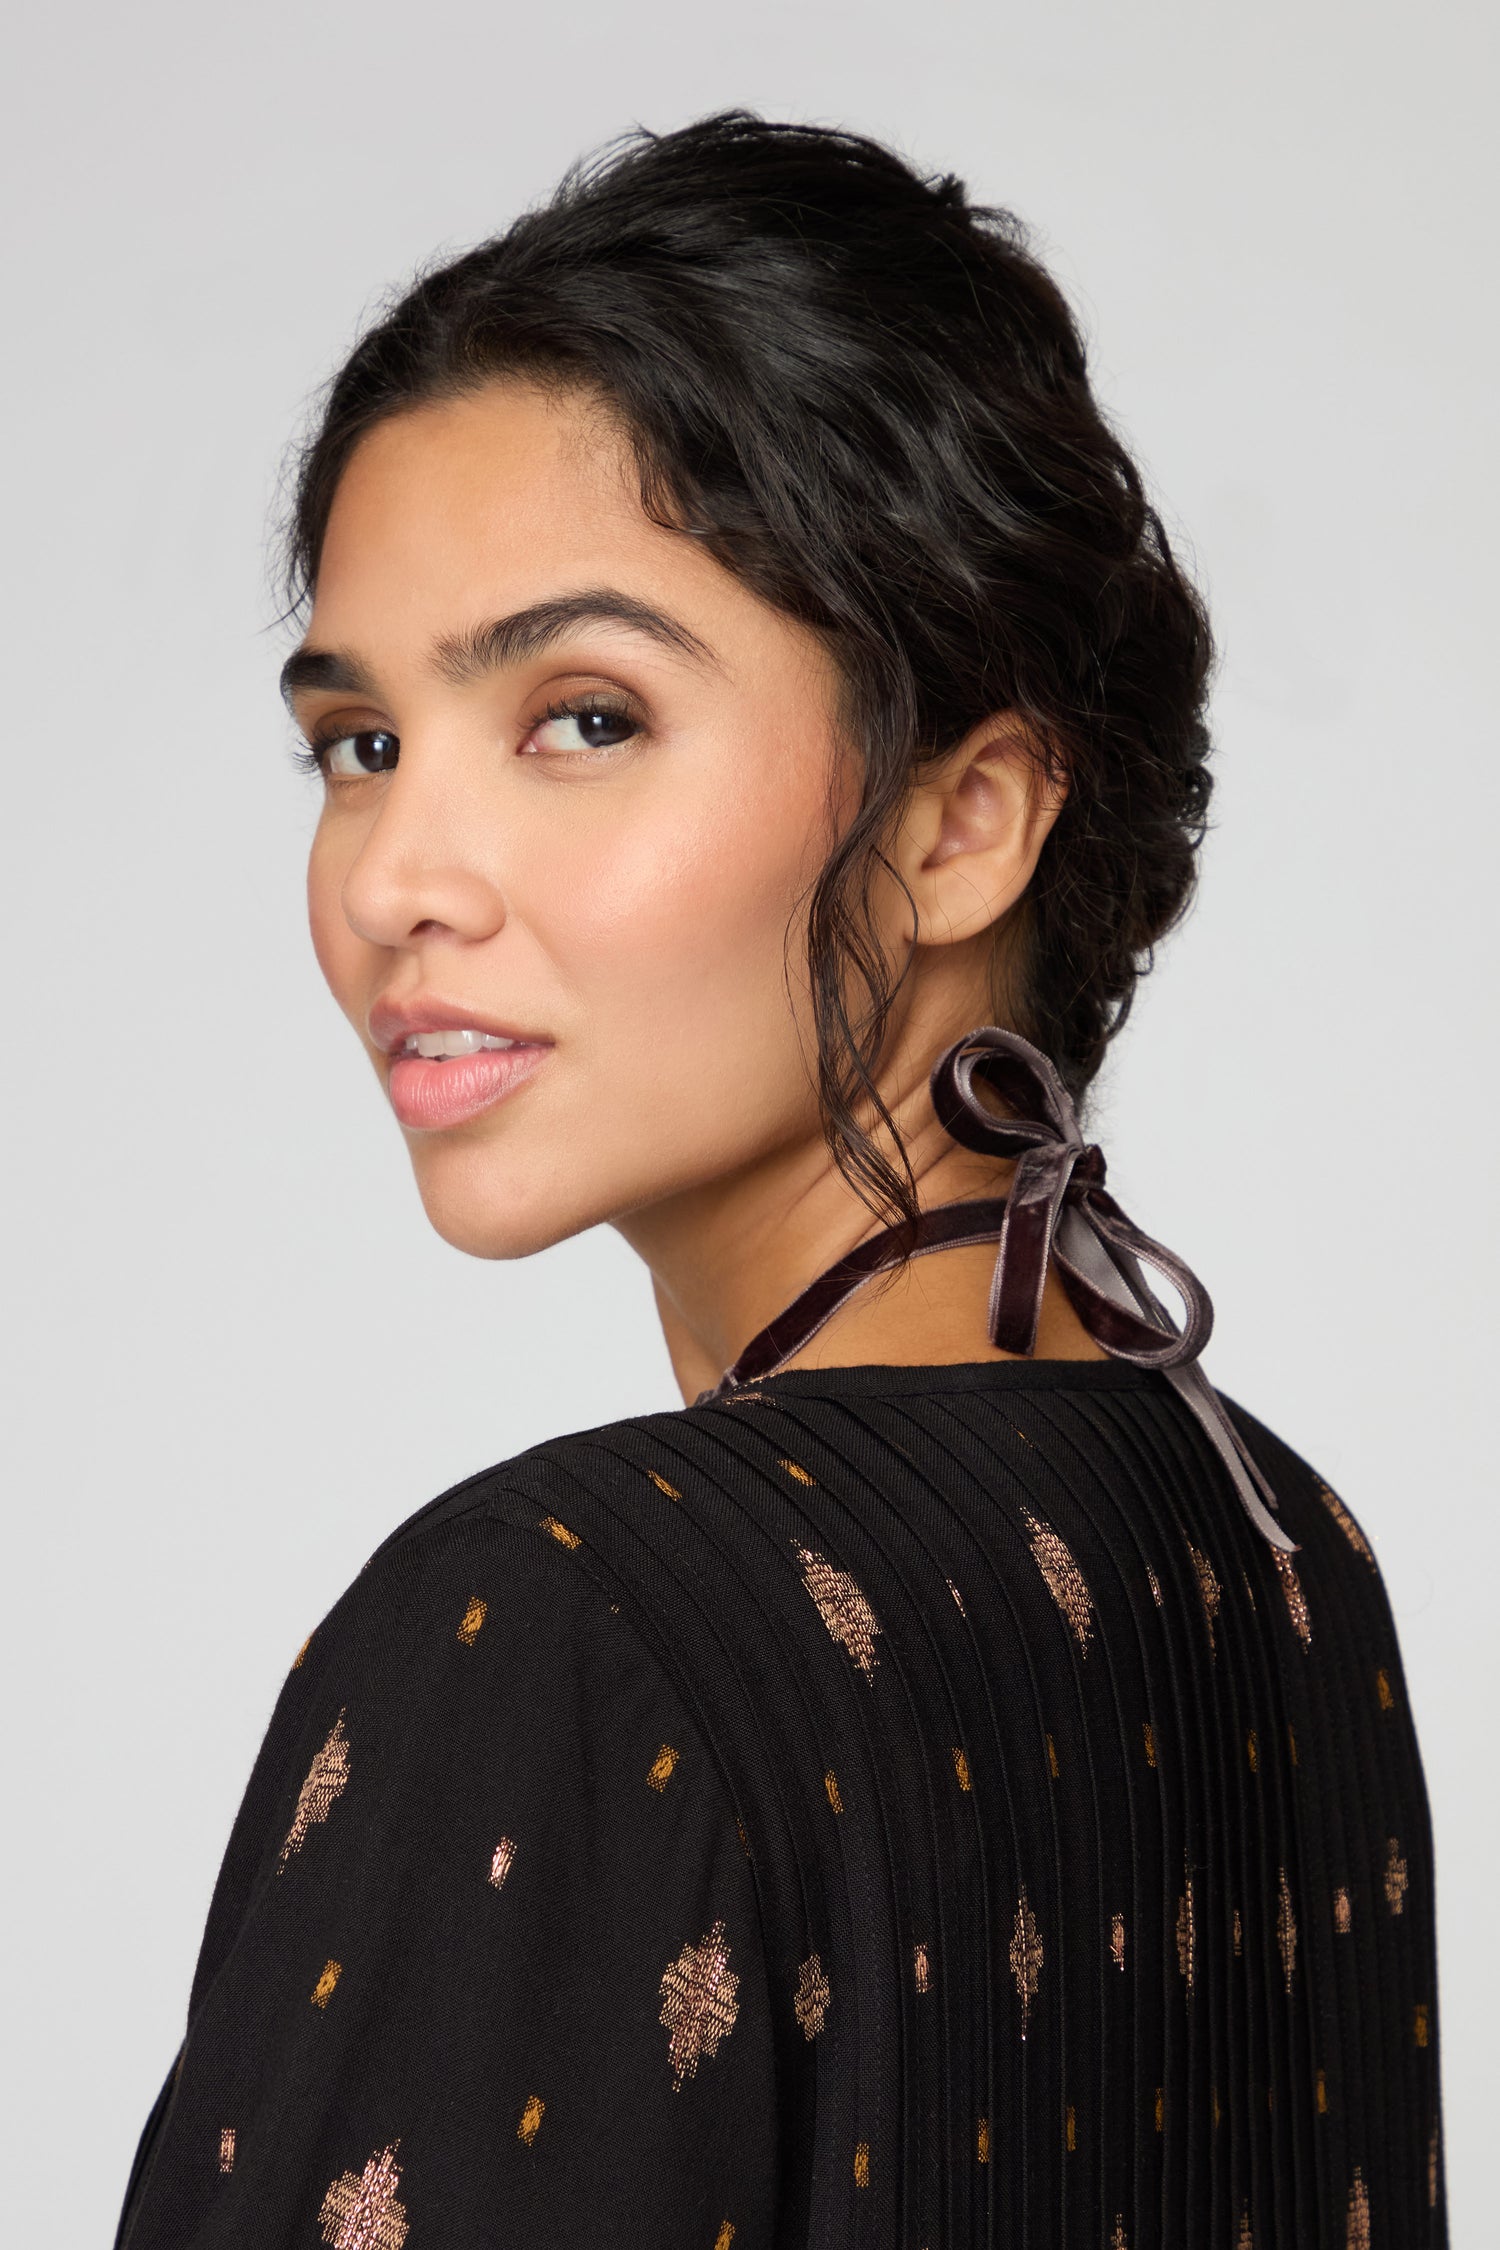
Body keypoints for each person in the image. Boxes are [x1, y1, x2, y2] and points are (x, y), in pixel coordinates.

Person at [113, 112, 1444, 2250]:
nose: (393, 881)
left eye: (583, 717)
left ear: (960, 821)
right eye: (360, 744)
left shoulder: (564, 1625)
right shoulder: (1279, 1544)